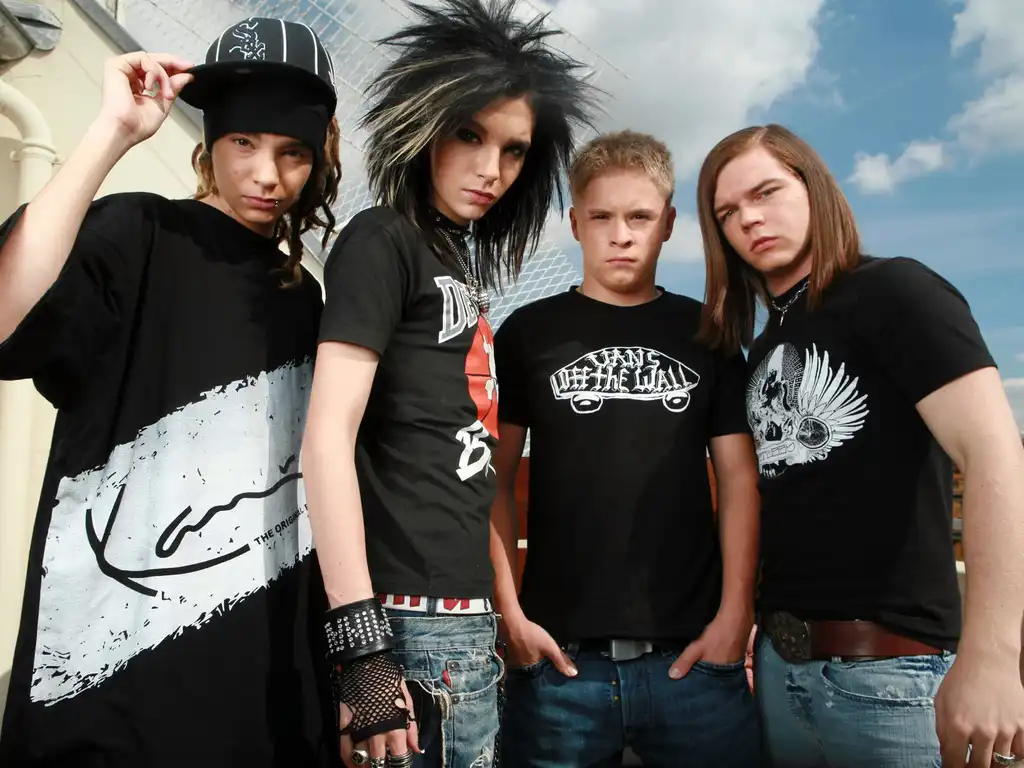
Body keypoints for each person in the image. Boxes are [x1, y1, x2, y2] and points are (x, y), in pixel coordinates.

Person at [0, 17, 343, 767]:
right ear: (209, 141)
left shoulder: (308, 303)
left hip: (259, 700)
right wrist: (111, 133)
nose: (267, 175)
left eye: (292, 152)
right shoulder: (140, 233)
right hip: (104, 701)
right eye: (244, 142)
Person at [298, 0, 598, 766]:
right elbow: (326, 439)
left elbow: (468, 462)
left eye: (514, 149)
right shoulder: (383, 239)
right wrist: (364, 652)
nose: (491, 168)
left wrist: (505, 611)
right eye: (470, 134)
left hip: (466, 628)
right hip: (402, 626)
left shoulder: (456, 266)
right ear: (426, 123)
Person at [695, 123, 1024, 768]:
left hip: (892, 678)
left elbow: (995, 455)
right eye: (727, 212)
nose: (749, 219)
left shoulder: (895, 290)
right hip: (782, 674)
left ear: (814, 188)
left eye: (766, 192)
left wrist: (993, 656)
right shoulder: (764, 348)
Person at [489, 130, 761, 767]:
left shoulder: (709, 332)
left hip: (694, 660)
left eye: (639, 217)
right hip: (559, 666)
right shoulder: (528, 333)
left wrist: (734, 617)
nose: (621, 235)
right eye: (601, 217)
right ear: (574, 224)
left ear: (668, 224)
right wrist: (510, 618)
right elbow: (493, 481)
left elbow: (739, 481)